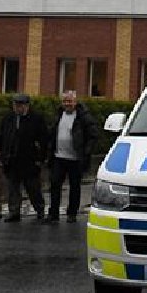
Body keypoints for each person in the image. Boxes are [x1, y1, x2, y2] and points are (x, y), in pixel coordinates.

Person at [45, 90, 101, 223]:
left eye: (69, 101)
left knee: (75, 187)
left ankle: (72, 213)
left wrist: (86, 151)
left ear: (75, 102)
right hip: (59, 157)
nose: (67, 104)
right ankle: (53, 214)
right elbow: (52, 132)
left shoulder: (83, 116)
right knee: (54, 185)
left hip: (75, 158)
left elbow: (93, 135)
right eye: (65, 101)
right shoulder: (58, 115)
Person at [0, 93, 48, 223]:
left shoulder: (36, 119)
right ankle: (14, 212)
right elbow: (1, 134)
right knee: (13, 188)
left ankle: (40, 211)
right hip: (11, 159)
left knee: (33, 188)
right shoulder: (8, 118)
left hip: (29, 160)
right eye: (16, 105)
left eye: (20, 105)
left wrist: (41, 157)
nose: (18, 108)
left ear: (27, 106)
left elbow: (44, 139)